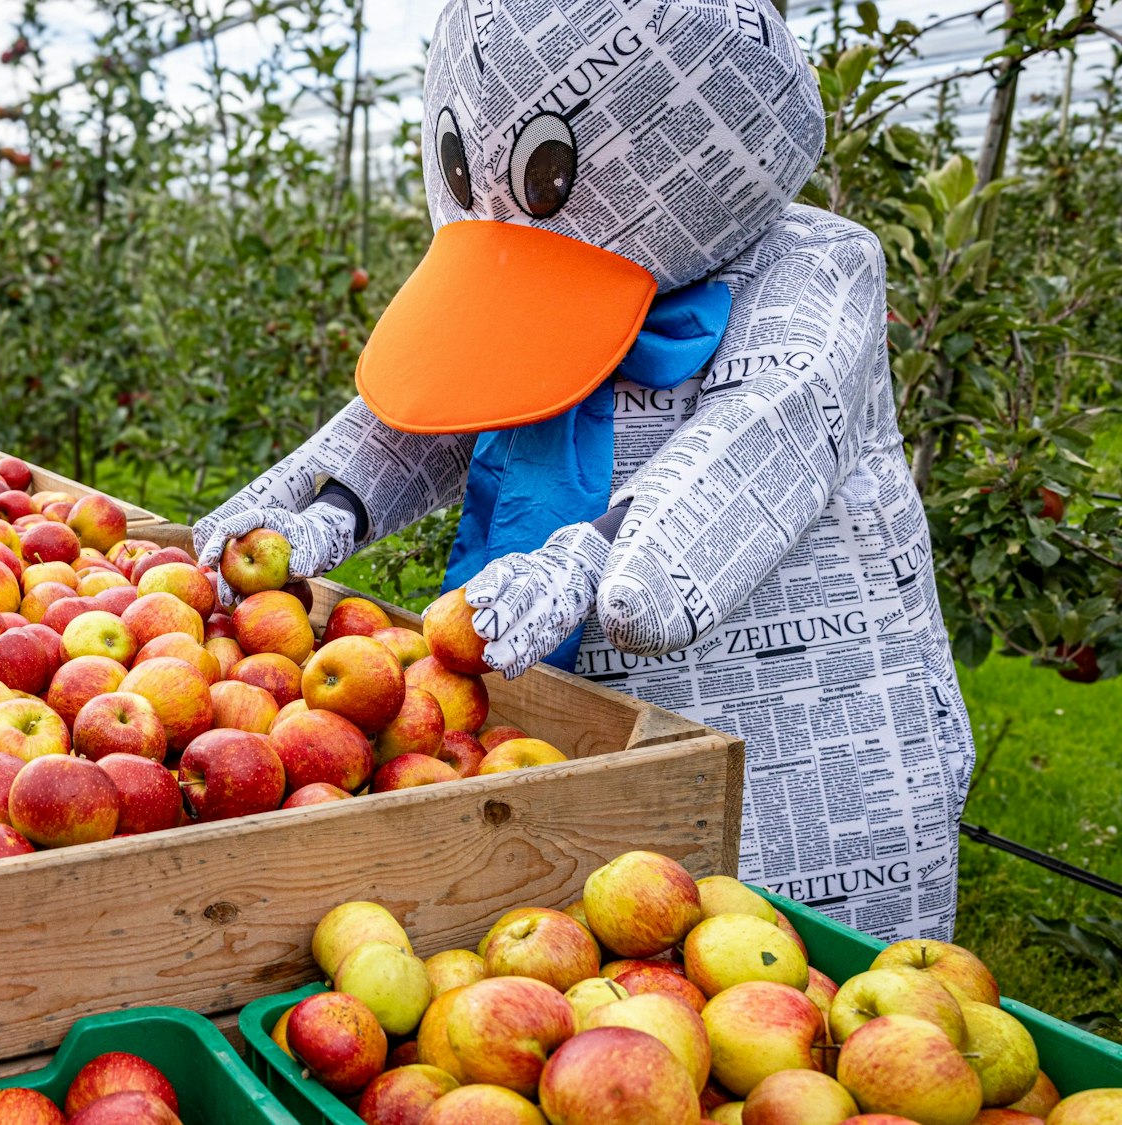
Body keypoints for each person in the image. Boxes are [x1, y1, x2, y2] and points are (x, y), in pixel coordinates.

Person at [194, 0, 975, 941]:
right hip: (577, 700)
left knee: (784, 960)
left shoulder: (821, 268)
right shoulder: (524, 253)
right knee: (589, 958)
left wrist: (586, 559)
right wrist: (324, 509)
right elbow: (444, 398)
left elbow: (765, 432)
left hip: (791, 713)